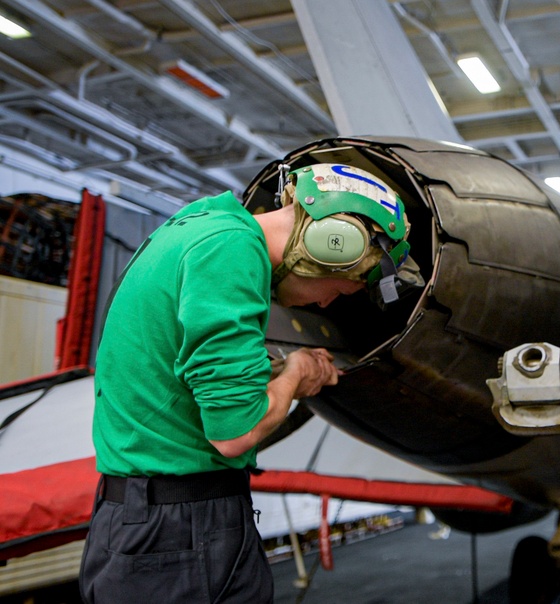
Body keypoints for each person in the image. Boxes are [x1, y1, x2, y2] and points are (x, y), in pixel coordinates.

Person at [79, 161, 415, 603]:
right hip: (178, 532)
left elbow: (179, 370)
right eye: (342, 287)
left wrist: (276, 371)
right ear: (330, 247)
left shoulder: (202, 225)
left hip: (143, 523)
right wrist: (294, 375)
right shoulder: (231, 256)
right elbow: (236, 433)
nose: (328, 301)